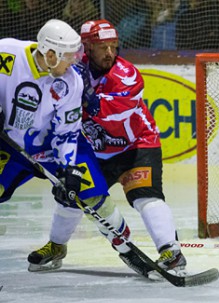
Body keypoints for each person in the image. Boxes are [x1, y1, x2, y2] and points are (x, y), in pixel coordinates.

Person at [0, 19, 150, 276]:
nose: (74, 63)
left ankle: (126, 248)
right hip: (10, 143)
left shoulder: (71, 81)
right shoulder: (7, 53)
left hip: (52, 145)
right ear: (49, 54)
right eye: (68, 57)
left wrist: (69, 168)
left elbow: (67, 132)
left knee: (91, 193)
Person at [76, 19, 186, 277]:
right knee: (72, 198)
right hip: (96, 150)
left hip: (137, 145)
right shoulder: (73, 67)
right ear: (87, 47)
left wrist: (91, 101)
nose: (110, 53)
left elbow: (120, 111)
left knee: (144, 195)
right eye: (103, 47)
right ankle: (57, 246)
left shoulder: (126, 74)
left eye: (114, 46)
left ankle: (172, 252)